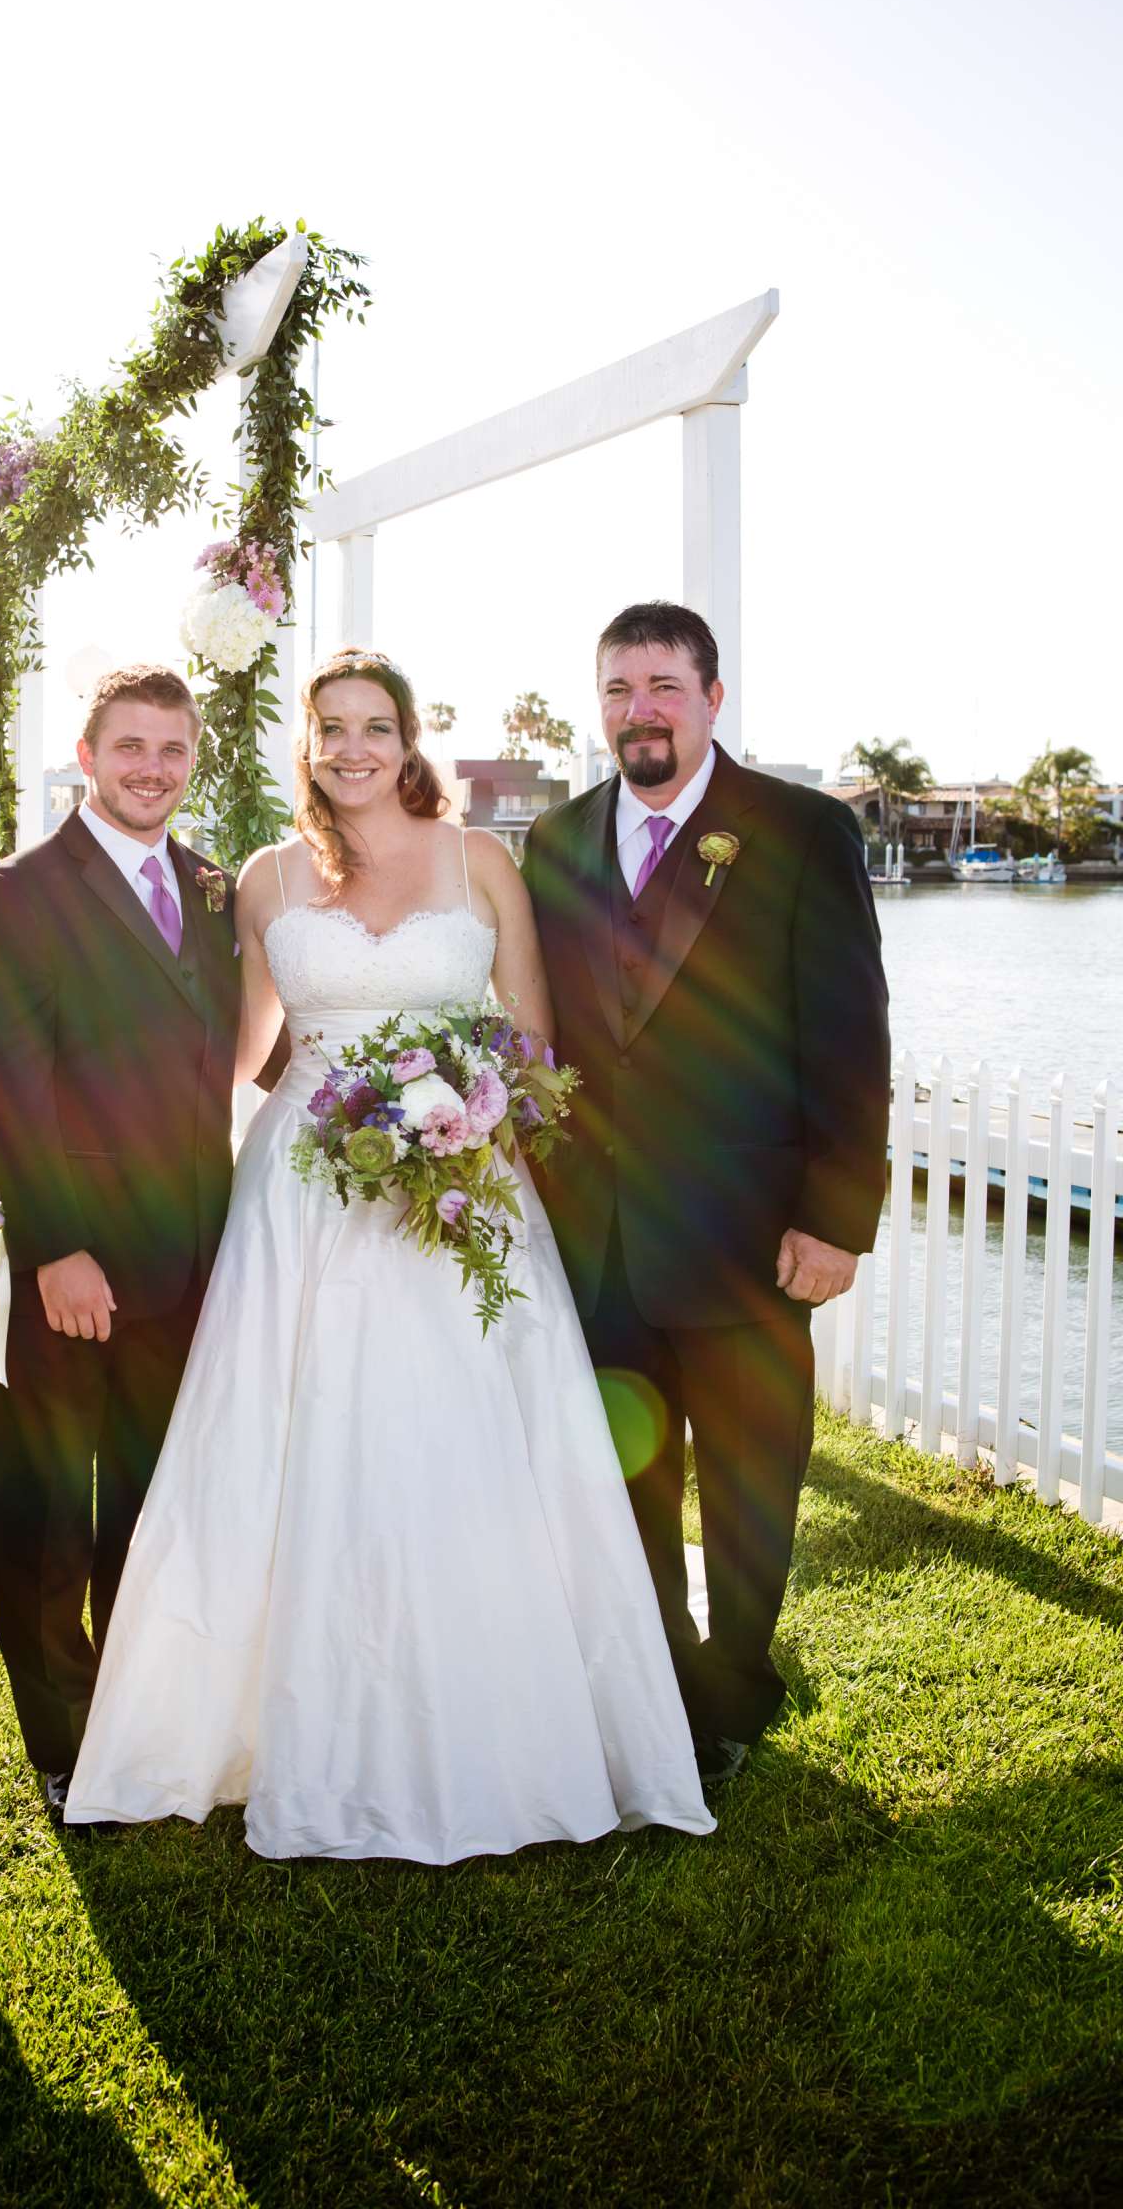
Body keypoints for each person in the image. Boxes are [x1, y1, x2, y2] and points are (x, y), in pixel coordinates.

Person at [64, 647, 712, 1860]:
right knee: (286, 1433)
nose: (352, 747)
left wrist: (460, 1121)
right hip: (301, 1194)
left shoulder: (482, 864)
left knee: (463, 1435)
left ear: (410, 739)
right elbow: (238, 1046)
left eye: (375, 725)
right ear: (303, 747)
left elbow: (530, 1036)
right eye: (330, 729)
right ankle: (251, 1716)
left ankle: (502, 1718)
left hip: (465, 1186)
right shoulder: (260, 881)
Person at [522, 602, 890, 1784]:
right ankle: (660, 1675)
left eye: (664, 687)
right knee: (631, 1473)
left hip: (746, 1234)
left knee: (746, 1479)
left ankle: (736, 1690)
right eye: (620, 688)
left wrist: (835, 1220)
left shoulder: (794, 830)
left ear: (711, 699)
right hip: (599, 1238)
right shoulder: (556, 841)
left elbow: (848, 1036)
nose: (641, 710)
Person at [0, 665, 242, 1826]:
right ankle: (61, 1736)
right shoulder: (15, 894)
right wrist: (57, 1246)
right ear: (86, 755)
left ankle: (133, 1706)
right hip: (68, 1258)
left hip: (188, 1252)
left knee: (144, 1490)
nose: (152, 770)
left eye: (173, 750)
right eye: (130, 747)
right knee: (43, 1511)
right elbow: (8, 1080)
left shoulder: (213, 889)